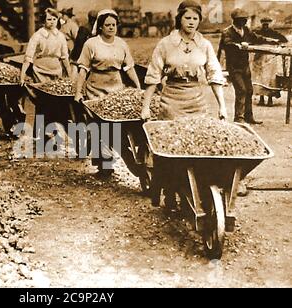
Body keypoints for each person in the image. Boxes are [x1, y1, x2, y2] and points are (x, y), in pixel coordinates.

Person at [141, 0, 227, 207]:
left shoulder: (205, 45)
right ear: (179, 19)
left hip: (197, 102)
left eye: (195, 18)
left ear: (200, 21)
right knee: (172, 151)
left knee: (197, 149)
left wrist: (223, 106)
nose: (191, 22)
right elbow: (153, 77)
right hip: (172, 102)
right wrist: (145, 106)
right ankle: (169, 192)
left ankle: (196, 193)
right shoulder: (165, 44)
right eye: (187, 18)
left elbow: (214, 75)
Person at [74, 9, 141, 175]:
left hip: (116, 87)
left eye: (114, 25)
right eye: (107, 25)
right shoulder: (91, 44)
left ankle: (123, 155)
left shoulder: (121, 44)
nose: (111, 28)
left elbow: (129, 67)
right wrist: (78, 91)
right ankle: (104, 164)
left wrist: (138, 87)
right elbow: (82, 70)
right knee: (100, 126)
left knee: (117, 126)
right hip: (96, 87)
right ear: (101, 27)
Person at [219, 8, 279, 124]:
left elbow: (257, 38)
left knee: (249, 90)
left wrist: (272, 41)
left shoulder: (246, 30)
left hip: (245, 66)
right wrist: (240, 45)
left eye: (245, 20)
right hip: (234, 67)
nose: (243, 22)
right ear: (235, 20)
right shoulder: (227, 32)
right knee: (241, 90)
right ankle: (239, 118)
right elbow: (227, 44)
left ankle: (248, 117)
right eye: (241, 20)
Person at [20, 8, 71, 84]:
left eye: (54, 19)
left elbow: (65, 57)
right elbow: (28, 57)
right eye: (49, 19)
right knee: (42, 91)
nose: (52, 22)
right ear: (44, 21)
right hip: (40, 71)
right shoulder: (38, 35)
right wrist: (22, 76)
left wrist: (69, 75)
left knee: (55, 90)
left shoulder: (60, 36)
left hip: (56, 71)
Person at [252, 17, 288, 106]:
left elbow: (284, 40)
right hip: (259, 57)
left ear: (270, 24)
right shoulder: (257, 33)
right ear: (261, 24)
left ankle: (270, 99)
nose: (265, 26)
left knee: (270, 78)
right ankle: (261, 98)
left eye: (267, 24)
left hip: (270, 58)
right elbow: (251, 40)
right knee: (260, 78)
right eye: (264, 24)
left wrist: (276, 42)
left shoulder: (274, 33)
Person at [69, 10, 98, 80]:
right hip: (82, 55)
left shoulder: (94, 29)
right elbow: (79, 44)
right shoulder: (84, 28)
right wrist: (75, 58)